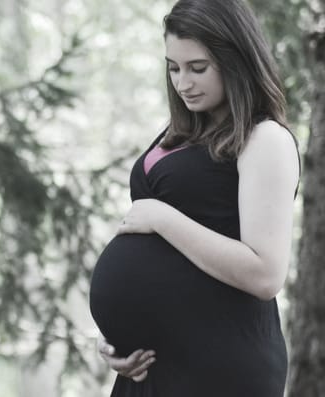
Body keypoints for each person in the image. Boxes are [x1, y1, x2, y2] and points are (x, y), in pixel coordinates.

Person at [88, 0, 300, 396]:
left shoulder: (264, 138)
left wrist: (161, 217)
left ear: (235, 60)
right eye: (173, 68)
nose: (183, 82)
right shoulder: (181, 133)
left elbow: (266, 274)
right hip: (149, 366)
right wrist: (118, 338)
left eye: (197, 68)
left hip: (218, 364)